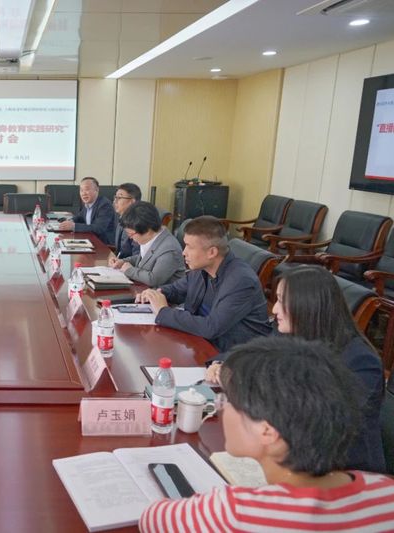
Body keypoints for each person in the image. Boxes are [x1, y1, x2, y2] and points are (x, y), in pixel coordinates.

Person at [139, 336, 394, 532]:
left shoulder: (233, 512)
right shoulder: (386, 492)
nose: (222, 408)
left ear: (267, 431)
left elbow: (152, 519)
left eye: (229, 400)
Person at [207, 265, 385, 472]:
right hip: (291, 453)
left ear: (307, 306)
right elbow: (252, 353)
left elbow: (320, 425)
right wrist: (224, 364)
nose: (274, 309)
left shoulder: (360, 361)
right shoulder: (292, 332)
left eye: (281, 301)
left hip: (342, 470)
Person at [137, 216, 271, 351]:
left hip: (235, 354)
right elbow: (176, 290)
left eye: (189, 247)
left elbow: (211, 327)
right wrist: (155, 294)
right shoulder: (201, 269)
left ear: (212, 252)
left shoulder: (241, 281)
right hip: (200, 342)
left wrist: (163, 311)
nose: (184, 252)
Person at [113, 202, 184, 287]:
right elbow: (144, 259)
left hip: (161, 293)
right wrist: (123, 261)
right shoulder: (152, 238)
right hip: (144, 289)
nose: (130, 238)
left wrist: (129, 270)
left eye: (131, 234)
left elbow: (153, 279)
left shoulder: (169, 249)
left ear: (148, 230)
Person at [57, 177, 116, 245]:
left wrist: (73, 226)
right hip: (90, 241)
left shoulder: (104, 205)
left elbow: (98, 228)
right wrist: (70, 221)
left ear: (96, 190)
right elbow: (80, 217)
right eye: (81, 190)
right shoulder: (88, 204)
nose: (83, 193)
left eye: (87, 189)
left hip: (103, 245)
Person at [110, 182, 141, 259]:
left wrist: (122, 262)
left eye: (119, 198)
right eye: (115, 197)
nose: (115, 201)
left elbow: (139, 256)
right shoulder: (120, 217)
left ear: (132, 201)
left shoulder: (137, 223)